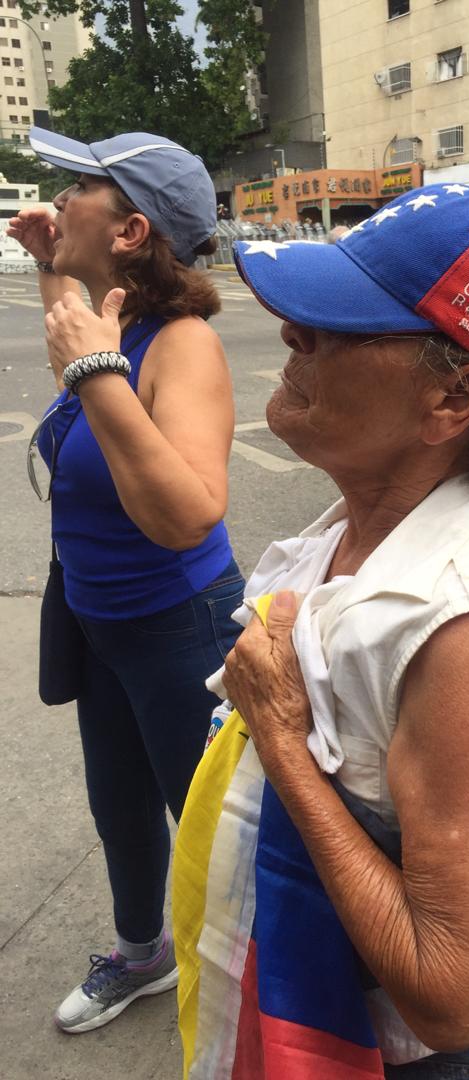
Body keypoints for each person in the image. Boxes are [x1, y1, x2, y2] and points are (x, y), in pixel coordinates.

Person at [173, 183, 469, 1079]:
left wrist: (285, 743)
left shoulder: (467, 623)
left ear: (455, 398)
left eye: (338, 323)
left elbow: (451, 1000)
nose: (293, 335)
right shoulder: (362, 524)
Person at [10, 128, 245, 1032]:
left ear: (131, 230)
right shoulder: (124, 325)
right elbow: (83, 377)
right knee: (118, 801)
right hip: (96, 614)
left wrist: (98, 366)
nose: (58, 199)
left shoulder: (181, 345)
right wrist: (47, 269)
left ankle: (232, 980)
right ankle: (145, 954)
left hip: (178, 623)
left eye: (79, 190)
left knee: (206, 815)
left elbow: (190, 513)